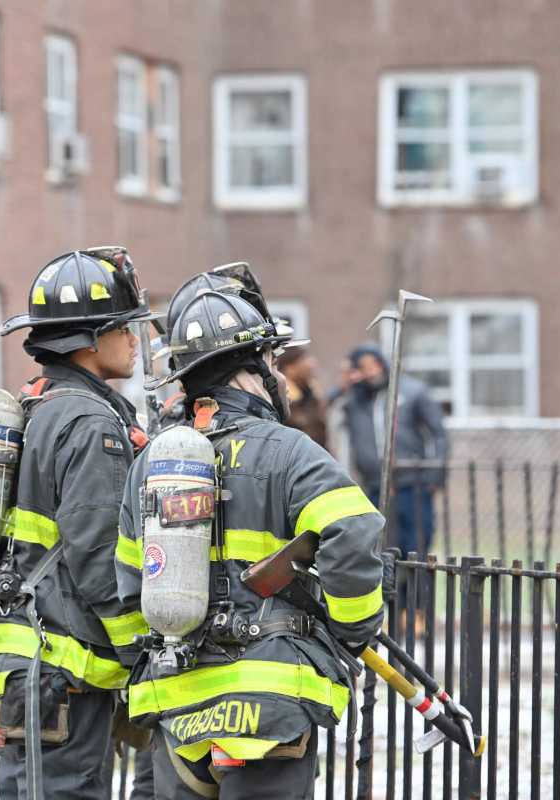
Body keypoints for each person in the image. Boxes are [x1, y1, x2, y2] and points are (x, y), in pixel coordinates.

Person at [116, 286, 386, 799]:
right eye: (272, 360)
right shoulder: (287, 450)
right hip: (270, 701)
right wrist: (354, 629)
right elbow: (353, 531)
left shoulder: (149, 465)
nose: (281, 375)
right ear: (251, 369)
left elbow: (131, 585)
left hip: (178, 710)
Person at [0, 247, 159, 799]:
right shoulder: (88, 423)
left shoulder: (41, 404)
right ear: (89, 340)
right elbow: (101, 557)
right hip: (63, 670)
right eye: (124, 327)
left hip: (30, 662)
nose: (134, 340)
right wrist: (140, 655)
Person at [331, 342, 448, 557]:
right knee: (382, 549)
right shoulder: (355, 399)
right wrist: (344, 383)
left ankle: (416, 590)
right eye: (364, 367)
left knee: (417, 545)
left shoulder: (413, 391)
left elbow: (438, 432)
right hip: (374, 487)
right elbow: (326, 409)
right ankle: (391, 590)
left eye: (374, 364)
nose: (371, 371)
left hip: (413, 484)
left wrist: (435, 475)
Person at [275, 347, 329, 450]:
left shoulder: (313, 396)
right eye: (303, 359)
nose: (312, 364)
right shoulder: (281, 403)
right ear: (289, 368)